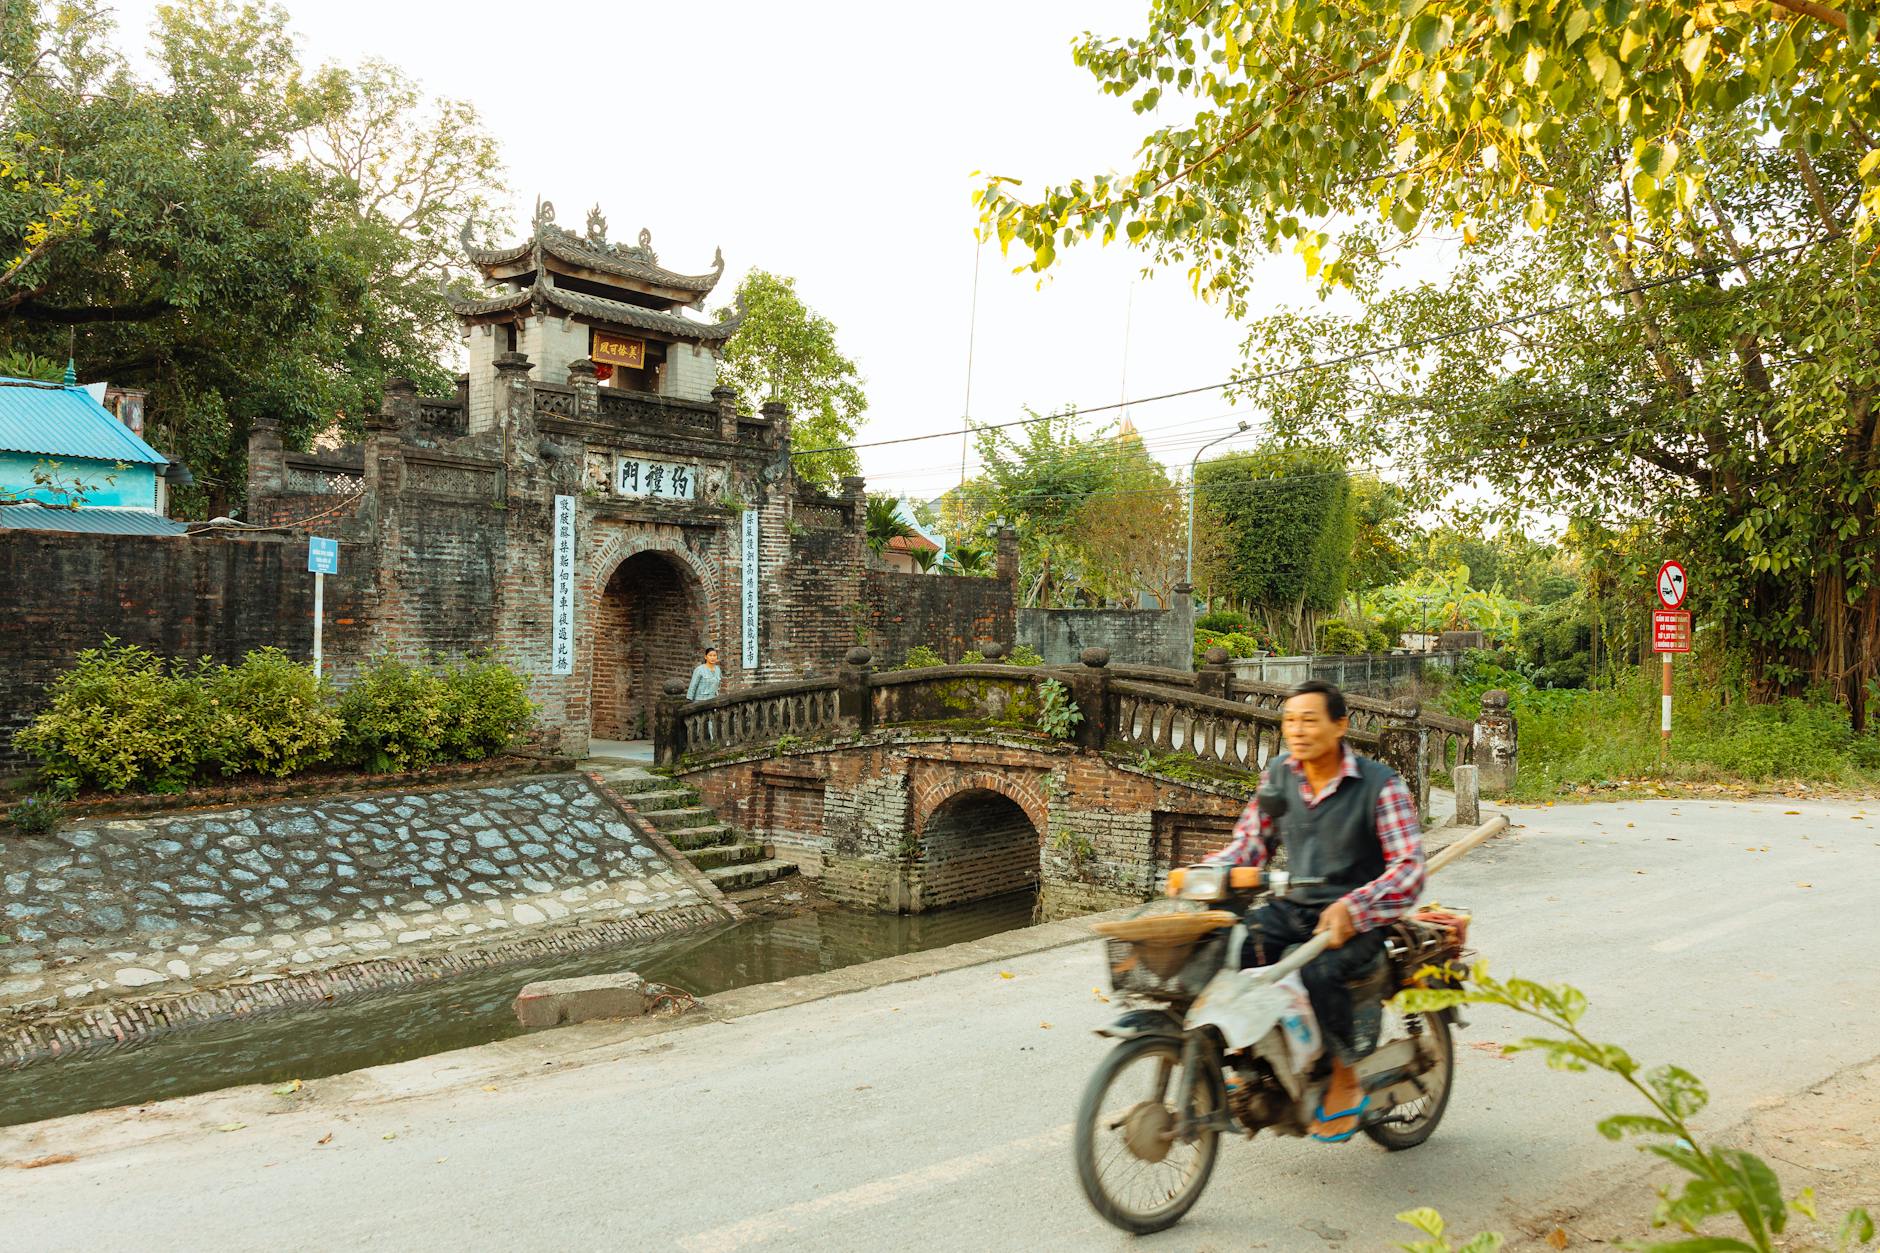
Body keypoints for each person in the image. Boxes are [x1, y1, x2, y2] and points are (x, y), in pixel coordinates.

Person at [1204, 678, 1425, 1143]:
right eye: (1289, 721)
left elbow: (1408, 871)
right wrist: (1209, 872)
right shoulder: (1281, 774)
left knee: (1319, 972)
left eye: (1309, 720)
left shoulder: (1380, 787)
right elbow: (1250, 842)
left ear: (1340, 725)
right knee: (1234, 947)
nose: (1296, 731)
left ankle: (1341, 1071)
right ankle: (1250, 1057)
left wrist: (1355, 905)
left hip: (1358, 919)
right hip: (1296, 906)